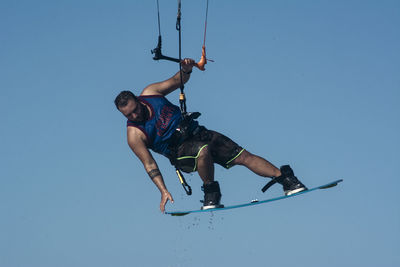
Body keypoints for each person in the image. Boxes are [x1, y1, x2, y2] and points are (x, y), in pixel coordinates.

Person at [114, 58, 307, 213]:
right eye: (128, 115)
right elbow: (150, 165)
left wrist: (186, 70)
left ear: (138, 100)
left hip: (198, 133)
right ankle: (211, 192)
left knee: (243, 156)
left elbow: (176, 81)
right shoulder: (134, 135)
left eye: (135, 110)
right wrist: (163, 190)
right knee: (202, 151)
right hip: (181, 153)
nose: (134, 116)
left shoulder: (151, 93)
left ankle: (287, 181)